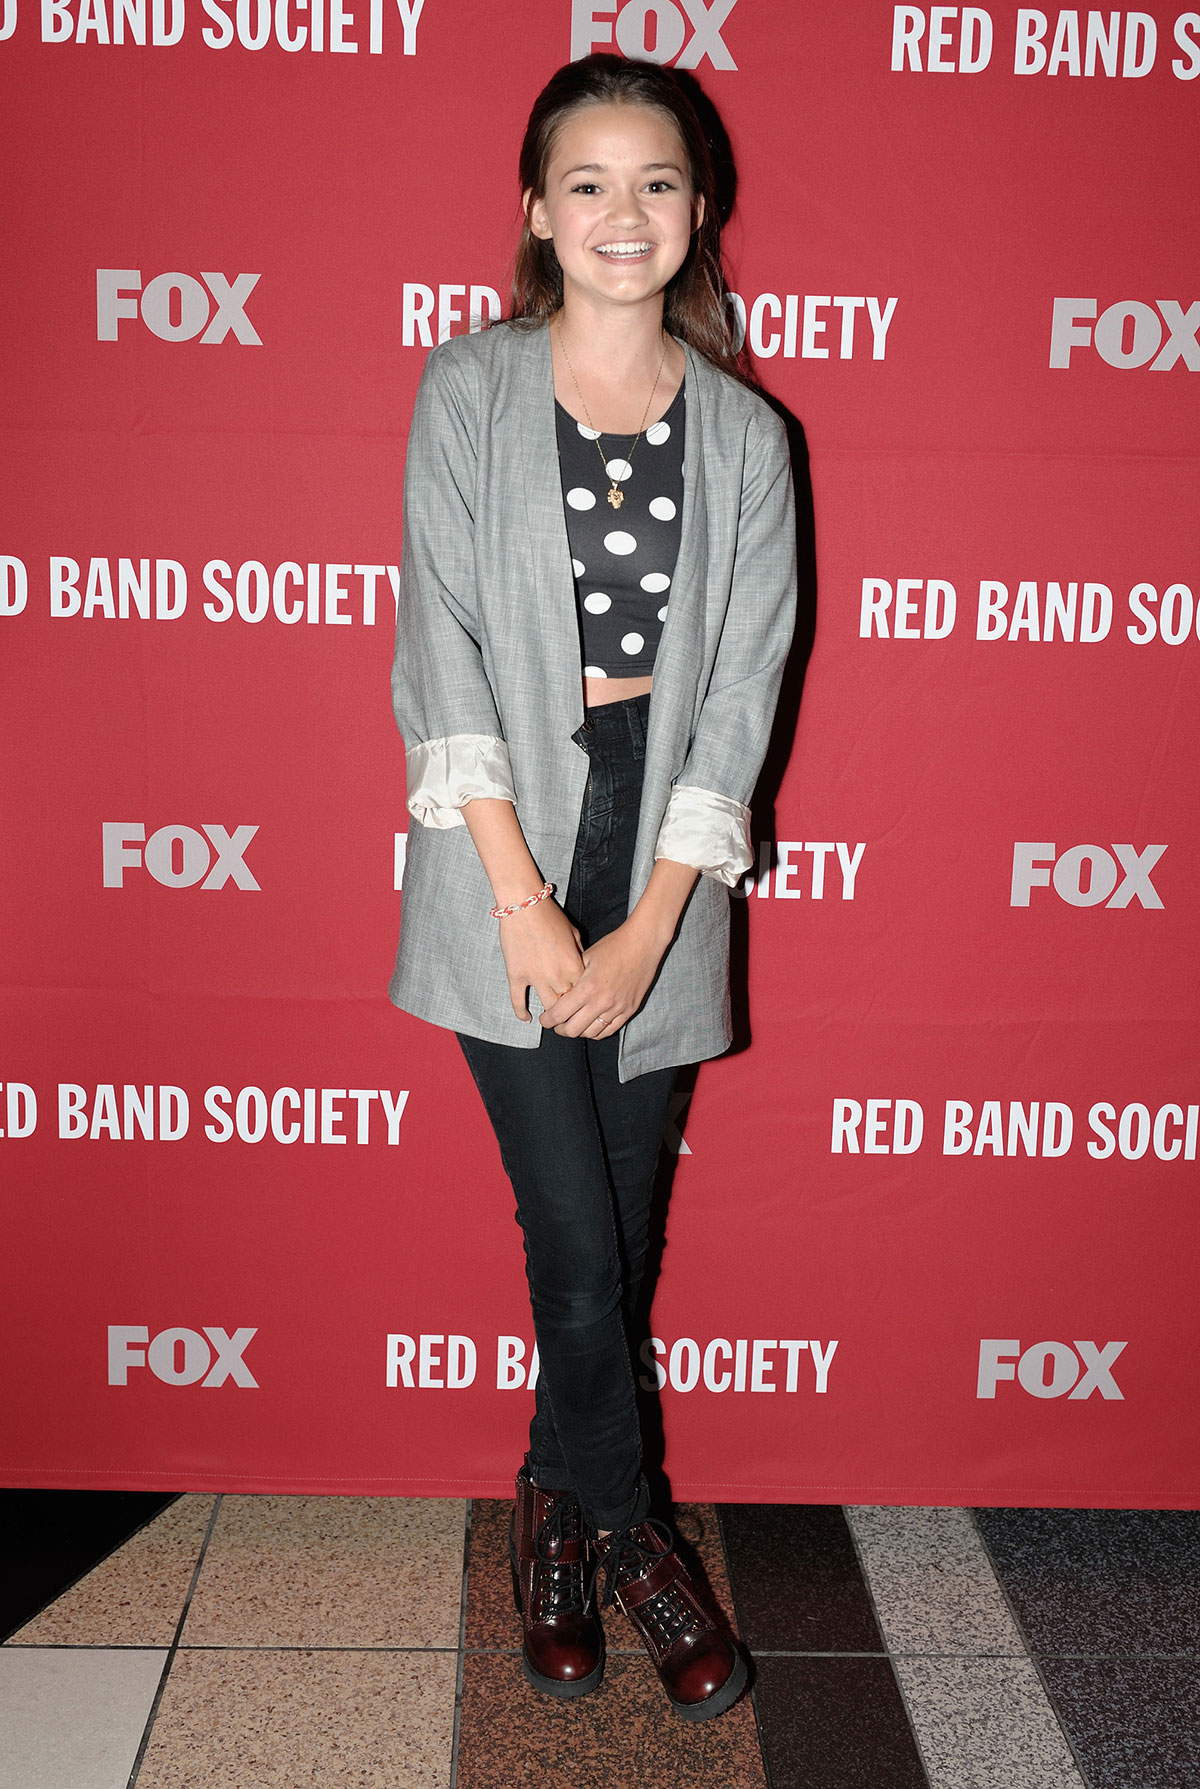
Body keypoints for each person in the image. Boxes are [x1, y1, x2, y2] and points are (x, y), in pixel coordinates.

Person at [388, 53, 797, 1722]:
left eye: (656, 183)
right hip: (506, 841)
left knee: (620, 1237)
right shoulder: (469, 389)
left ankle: (555, 1504)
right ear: (537, 213)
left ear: (698, 212)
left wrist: (645, 921)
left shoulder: (752, 434)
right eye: (588, 183)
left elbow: (742, 690)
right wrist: (531, 902)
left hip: (666, 849)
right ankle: (630, 1537)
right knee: (575, 1240)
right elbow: (442, 651)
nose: (623, 213)